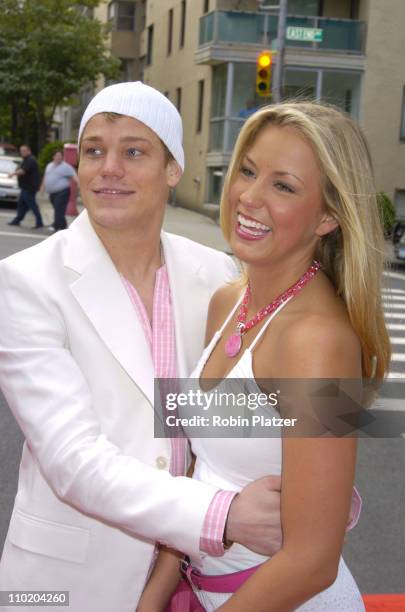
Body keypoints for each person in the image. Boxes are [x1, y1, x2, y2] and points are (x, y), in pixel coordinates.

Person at [0, 83, 287, 612]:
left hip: (194, 576)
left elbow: (228, 414)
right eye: (93, 150)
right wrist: (223, 514)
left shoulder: (216, 274)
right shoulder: (25, 281)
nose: (109, 167)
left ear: (172, 169)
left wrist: (323, 459)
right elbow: (72, 460)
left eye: (133, 151)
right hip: (60, 586)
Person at [138, 102, 391, 611]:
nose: (249, 197)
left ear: (328, 216)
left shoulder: (322, 342)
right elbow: (198, 469)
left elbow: (314, 561)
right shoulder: (229, 301)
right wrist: (156, 593)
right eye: (249, 171)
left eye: (284, 186)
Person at [40, 149, 79, 231]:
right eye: (57, 156)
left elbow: (75, 177)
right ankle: (63, 226)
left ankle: (56, 226)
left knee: (59, 209)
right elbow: (45, 177)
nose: (59, 157)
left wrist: (81, 187)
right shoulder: (49, 165)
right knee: (58, 209)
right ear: (53, 157)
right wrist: (42, 188)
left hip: (62, 192)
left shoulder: (66, 167)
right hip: (52, 193)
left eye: (60, 156)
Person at [7, 144, 43, 229]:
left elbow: (23, 171)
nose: (22, 152)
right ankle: (17, 220)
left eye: (24, 151)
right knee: (21, 204)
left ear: (29, 151)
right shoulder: (26, 159)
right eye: (21, 151)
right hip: (25, 187)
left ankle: (39, 222)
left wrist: (12, 174)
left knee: (32, 205)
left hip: (29, 187)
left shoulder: (30, 159)